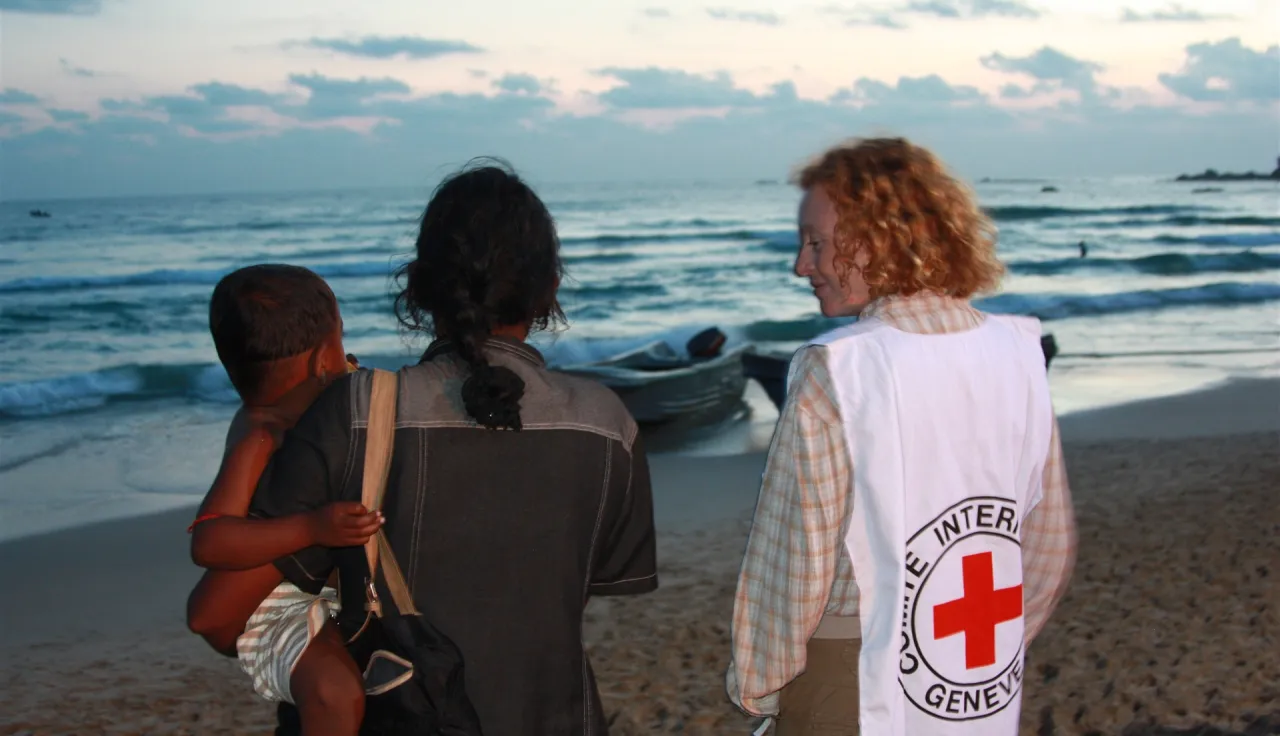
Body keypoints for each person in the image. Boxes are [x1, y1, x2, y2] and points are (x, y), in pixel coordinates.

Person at [246, 159, 659, 735]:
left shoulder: (354, 411)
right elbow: (589, 578)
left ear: (419, 284)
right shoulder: (606, 423)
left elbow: (241, 599)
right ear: (549, 288)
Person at [726, 138, 1077, 734]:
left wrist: (758, 686)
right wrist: (982, 651)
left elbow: (794, 557)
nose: (801, 266)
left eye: (817, 242)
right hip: (976, 665)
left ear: (877, 238)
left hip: (855, 667)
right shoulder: (1017, 348)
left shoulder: (838, 367)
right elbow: (1048, 539)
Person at [185, 264, 380, 736]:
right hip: (274, 611)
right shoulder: (260, 436)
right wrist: (311, 529)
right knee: (334, 693)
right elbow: (209, 541)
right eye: (341, 341)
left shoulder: (309, 416)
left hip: (313, 589)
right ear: (320, 362)